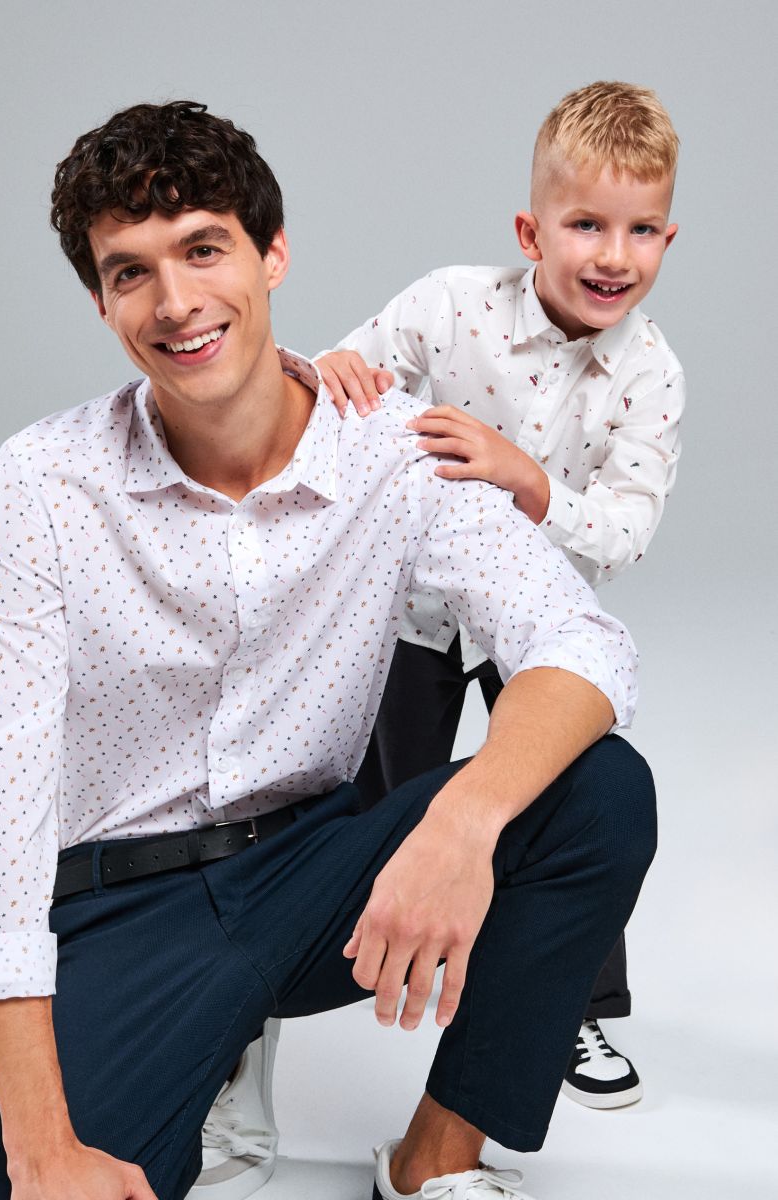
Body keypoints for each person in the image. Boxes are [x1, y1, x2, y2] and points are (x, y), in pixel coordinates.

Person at [0, 99, 656, 1200]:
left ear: (272, 254)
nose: (176, 303)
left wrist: (463, 822)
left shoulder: (392, 454)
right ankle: (203, 1061)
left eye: (204, 249)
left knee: (599, 792)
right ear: (101, 301)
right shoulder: (43, 483)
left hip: (316, 878)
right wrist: (42, 1149)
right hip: (125, 910)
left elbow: (583, 641)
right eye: (131, 272)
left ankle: (432, 1161)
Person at [314, 78, 682, 1114]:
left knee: (571, 793)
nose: (614, 255)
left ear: (668, 238)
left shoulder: (652, 375)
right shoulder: (449, 304)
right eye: (587, 225)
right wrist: (334, 368)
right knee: (397, 796)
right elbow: (342, 373)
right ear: (532, 232)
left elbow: (625, 532)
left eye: (641, 230)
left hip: (540, 626)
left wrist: (531, 483)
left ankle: (571, 1002)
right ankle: (365, 953)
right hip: (415, 608)